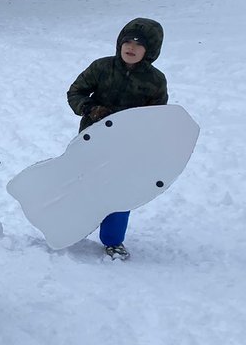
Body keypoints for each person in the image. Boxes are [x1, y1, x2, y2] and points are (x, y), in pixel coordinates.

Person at [66, 18, 169, 260]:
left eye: (139, 44)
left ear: (150, 50)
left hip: (128, 148)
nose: (131, 47)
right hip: (93, 141)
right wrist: (90, 108)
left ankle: (113, 241)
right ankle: (71, 227)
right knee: (83, 184)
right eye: (127, 41)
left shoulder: (155, 80)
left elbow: (157, 116)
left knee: (119, 192)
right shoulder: (102, 67)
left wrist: (144, 138)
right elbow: (75, 92)